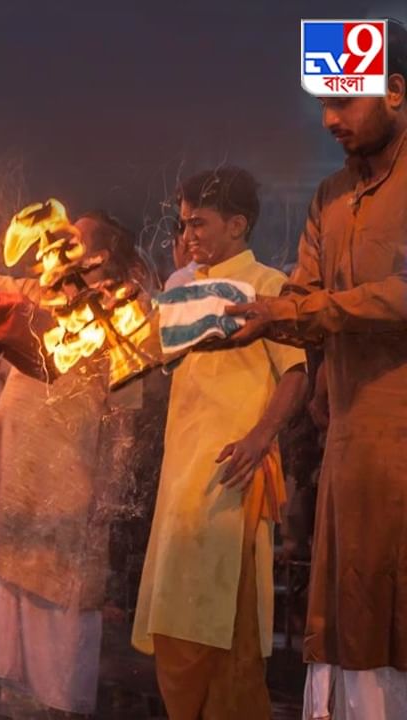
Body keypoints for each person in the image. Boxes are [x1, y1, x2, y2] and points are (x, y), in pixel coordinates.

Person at [216, 19, 407, 719]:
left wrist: (310, 309)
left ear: (394, 90)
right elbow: (301, 297)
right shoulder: (330, 198)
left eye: (345, 101)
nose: (330, 119)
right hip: (352, 444)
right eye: (322, 103)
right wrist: (245, 316)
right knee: (350, 609)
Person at [0, 211, 153, 717]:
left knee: (59, 644)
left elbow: (125, 422)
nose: (53, 239)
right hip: (15, 487)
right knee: (8, 664)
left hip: (71, 486)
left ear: (100, 255)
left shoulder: (127, 313)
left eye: (71, 236)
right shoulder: (34, 292)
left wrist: (108, 496)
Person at [131, 166, 308, 718]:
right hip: (180, 479)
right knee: (175, 624)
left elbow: (296, 374)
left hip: (233, 478)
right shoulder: (179, 289)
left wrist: (260, 437)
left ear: (238, 224)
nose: (188, 237)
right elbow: (142, 357)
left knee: (228, 630)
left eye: (200, 224)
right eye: (183, 225)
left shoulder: (270, 287)